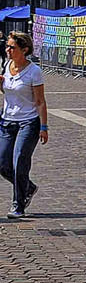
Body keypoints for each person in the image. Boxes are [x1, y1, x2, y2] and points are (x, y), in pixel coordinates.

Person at [1, 31, 47, 219]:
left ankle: (18, 205)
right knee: (2, 164)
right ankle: (28, 187)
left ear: (24, 50)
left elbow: (40, 102)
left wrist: (44, 127)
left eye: (12, 47)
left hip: (28, 122)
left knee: (20, 161)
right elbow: (9, 92)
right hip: (7, 121)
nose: (8, 50)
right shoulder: (6, 65)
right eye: (7, 46)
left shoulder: (34, 71)